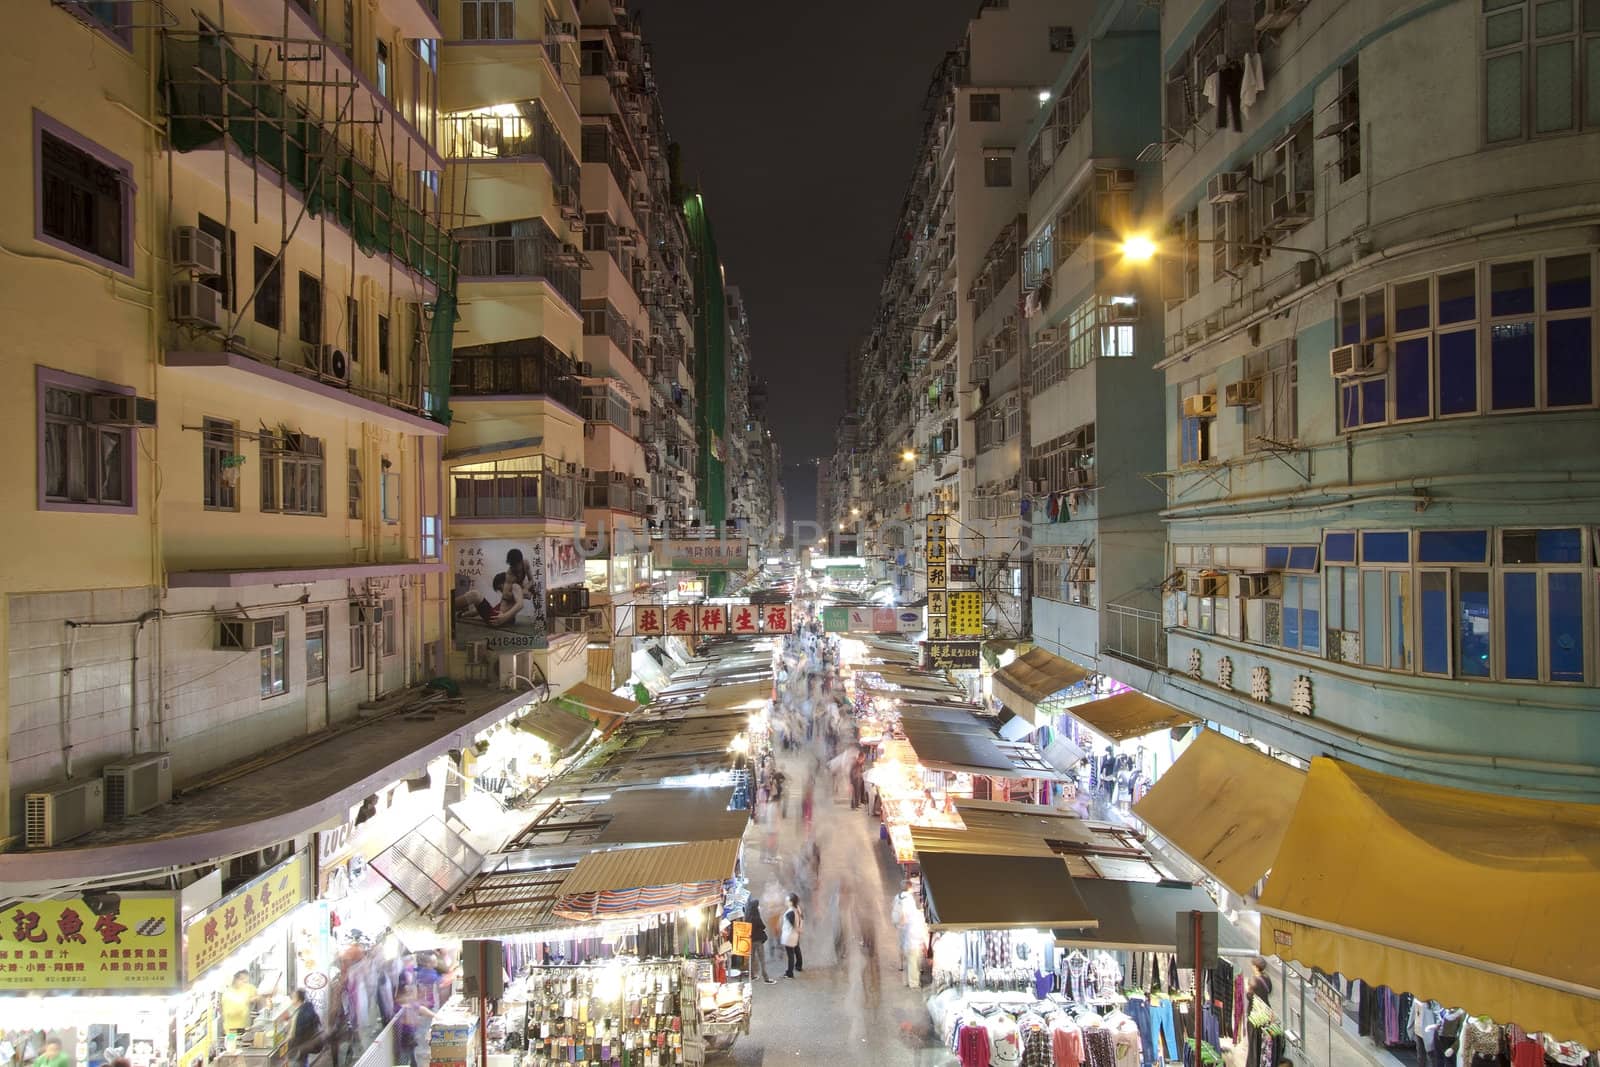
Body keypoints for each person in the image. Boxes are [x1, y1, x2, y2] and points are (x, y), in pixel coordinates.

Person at [890, 879, 927, 988]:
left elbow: (895, 910)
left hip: (901, 927)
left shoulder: (898, 896)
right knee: (913, 956)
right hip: (908, 928)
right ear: (910, 887)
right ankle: (914, 982)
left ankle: (901, 966)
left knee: (903, 949)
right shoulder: (909, 899)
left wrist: (900, 924)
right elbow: (908, 914)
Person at [394, 983, 434, 1067]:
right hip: (403, 1040)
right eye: (407, 993)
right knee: (404, 1061)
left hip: (410, 1039)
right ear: (399, 996)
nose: (410, 996)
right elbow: (408, 1020)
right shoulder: (398, 1008)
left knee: (412, 1058)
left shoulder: (409, 1004)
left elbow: (420, 1008)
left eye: (411, 993)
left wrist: (435, 1016)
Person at [287, 990, 322, 1067]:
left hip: (298, 1048)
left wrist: (291, 1045)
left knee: (297, 1063)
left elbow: (297, 1032)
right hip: (303, 1048)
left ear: (298, 999)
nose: (291, 999)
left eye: (293, 997)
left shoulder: (301, 1013)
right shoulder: (305, 1010)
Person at [743, 898, 774, 984]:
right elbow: (763, 926)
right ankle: (766, 978)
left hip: (750, 940)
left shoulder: (748, 916)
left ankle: (752, 975)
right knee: (762, 959)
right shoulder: (756, 917)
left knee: (752, 958)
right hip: (758, 941)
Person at [221, 970, 259, 1036]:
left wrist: (258, 997)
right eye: (242, 980)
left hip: (245, 1027)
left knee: (245, 1042)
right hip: (231, 1031)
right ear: (235, 979)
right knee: (231, 1044)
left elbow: (256, 994)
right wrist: (247, 1001)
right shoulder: (228, 994)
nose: (245, 983)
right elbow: (231, 1012)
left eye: (246, 981)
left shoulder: (246, 987)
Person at [780, 893, 804, 978]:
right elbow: (801, 919)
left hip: (789, 937)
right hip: (795, 935)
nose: (785, 901)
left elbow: (793, 925)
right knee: (797, 949)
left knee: (790, 954)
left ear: (791, 902)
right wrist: (800, 930)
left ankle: (789, 973)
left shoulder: (790, 913)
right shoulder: (797, 908)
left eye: (787, 900)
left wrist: (798, 929)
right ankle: (799, 965)